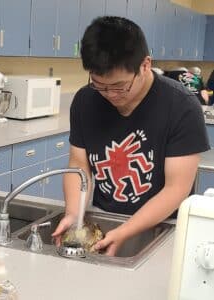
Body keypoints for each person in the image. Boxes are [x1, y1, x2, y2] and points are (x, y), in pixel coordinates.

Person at [52, 16, 210, 256]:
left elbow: (176, 189)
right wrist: (74, 214)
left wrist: (126, 231)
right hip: (107, 220)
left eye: (119, 86)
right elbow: (79, 164)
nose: (109, 95)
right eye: (99, 84)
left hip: (164, 229)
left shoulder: (181, 107)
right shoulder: (85, 101)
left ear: (145, 65)